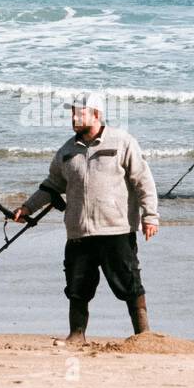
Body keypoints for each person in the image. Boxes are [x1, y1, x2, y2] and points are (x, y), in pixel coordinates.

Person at [13, 91, 159, 345]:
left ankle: (143, 335)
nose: (74, 117)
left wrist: (150, 216)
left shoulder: (122, 141)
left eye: (79, 112)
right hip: (79, 231)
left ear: (96, 115)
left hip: (116, 229)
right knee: (77, 287)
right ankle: (76, 335)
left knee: (130, 283)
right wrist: (27, 208)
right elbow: (51, 185)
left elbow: (143, 181)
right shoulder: (67, 151)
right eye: (72, 113)